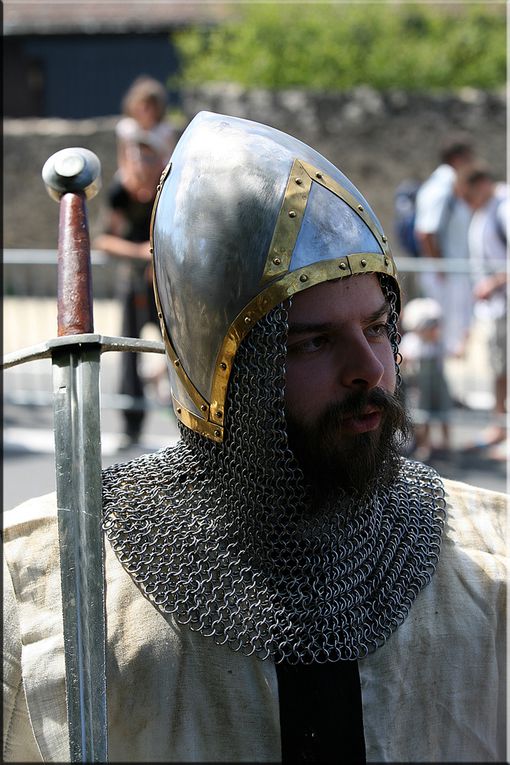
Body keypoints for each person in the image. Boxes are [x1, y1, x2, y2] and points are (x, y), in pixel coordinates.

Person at [4, 113, 507, 763]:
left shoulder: (492, 565)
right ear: (225, 374)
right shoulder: (42, 588)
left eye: (378, 327)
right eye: (314, 341)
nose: (371, 369)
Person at [94, 131, 167, 446]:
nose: (143, 164)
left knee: (185, 354)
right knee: (128, 354)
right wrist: (140, 252)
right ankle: (131, 427)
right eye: (137, 157)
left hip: (166, 287)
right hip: (134, 284)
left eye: (149, 157)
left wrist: (159, 256)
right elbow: (103, 239)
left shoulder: (169, 190)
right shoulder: (119, 194)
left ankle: (193, 431)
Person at [414, 133, 475, 358]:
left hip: (448, 271)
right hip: (445, 273)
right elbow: (426, 232)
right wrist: (440, 267)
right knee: (443, 336)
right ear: (458, 159)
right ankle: (439, 391)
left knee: (450, 336)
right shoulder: (442, 186)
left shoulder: (447, 185)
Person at [462, 164, 508, 452]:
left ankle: (500, 426)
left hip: (503, 303)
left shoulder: (503, 209)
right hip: (497, 308)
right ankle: (499, 424)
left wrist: (493, 283)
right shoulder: (488, 210)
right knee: (498, 366)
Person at [399, 297, 452, 461]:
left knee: (443, 411)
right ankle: (424, 444)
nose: (435, 329)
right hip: (419, 385)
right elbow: (402, 359)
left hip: (437, 383)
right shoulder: (412, 342)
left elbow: (451, 353)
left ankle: (445, 444)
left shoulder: (438, 343)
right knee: (421, 416)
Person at [116, 75, 177, 168]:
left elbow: (170, 159)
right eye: (139, 106)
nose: (142, 110)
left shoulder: (164, 130)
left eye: (147, 107)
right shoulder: (126, 128)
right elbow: (123, 161)